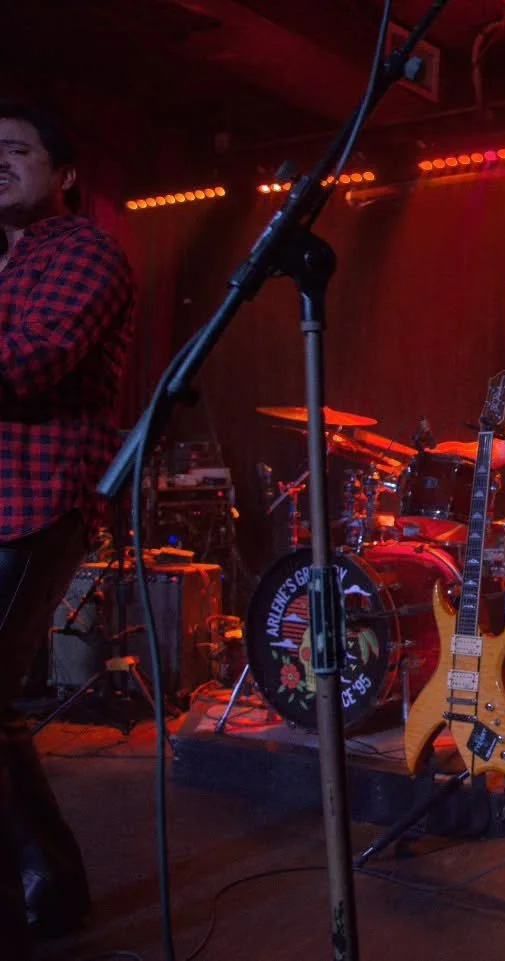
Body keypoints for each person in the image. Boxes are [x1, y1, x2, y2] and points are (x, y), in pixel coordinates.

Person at [0, 100, 135, 958]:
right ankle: (47, 881)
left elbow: (29, 361)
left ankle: (48, 881)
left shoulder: (84, 252)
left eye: (15, 150)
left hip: (33, 503)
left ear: (65, 173)